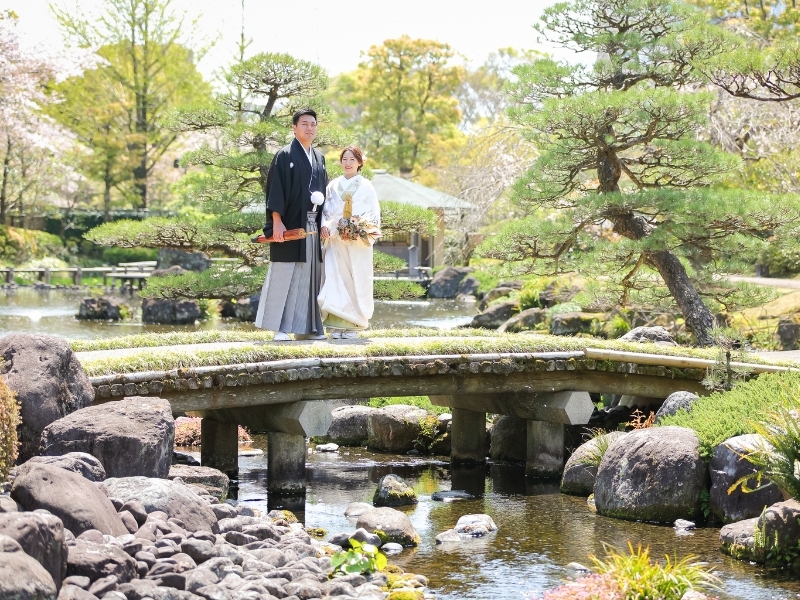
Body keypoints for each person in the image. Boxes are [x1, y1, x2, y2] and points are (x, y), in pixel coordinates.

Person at [254, 108, 329, 341]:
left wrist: (325, 222)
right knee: (284, 274)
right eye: (304, 124)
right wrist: (277, 222)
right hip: (289, 225)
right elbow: (276, 190)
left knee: (309, 277)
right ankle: (279, 328)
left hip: (312, 226)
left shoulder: (319, 158)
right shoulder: (285, 155)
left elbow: (324, 193)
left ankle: (308, 328)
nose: (309, 128)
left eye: (313, 124)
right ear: (294, 127)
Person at [318, 146, 380, 339]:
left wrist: (360, 228)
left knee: (355, 279)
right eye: (344, 159)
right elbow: (325, 211)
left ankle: (354, 324)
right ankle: (336, 326)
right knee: (334, 277)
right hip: (335, 239)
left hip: (356, 241)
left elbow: (373, 213)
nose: (347, 163)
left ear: (360, 162)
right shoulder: (332, 185)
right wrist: (326, 225)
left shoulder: (366, 186)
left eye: (352, 159)